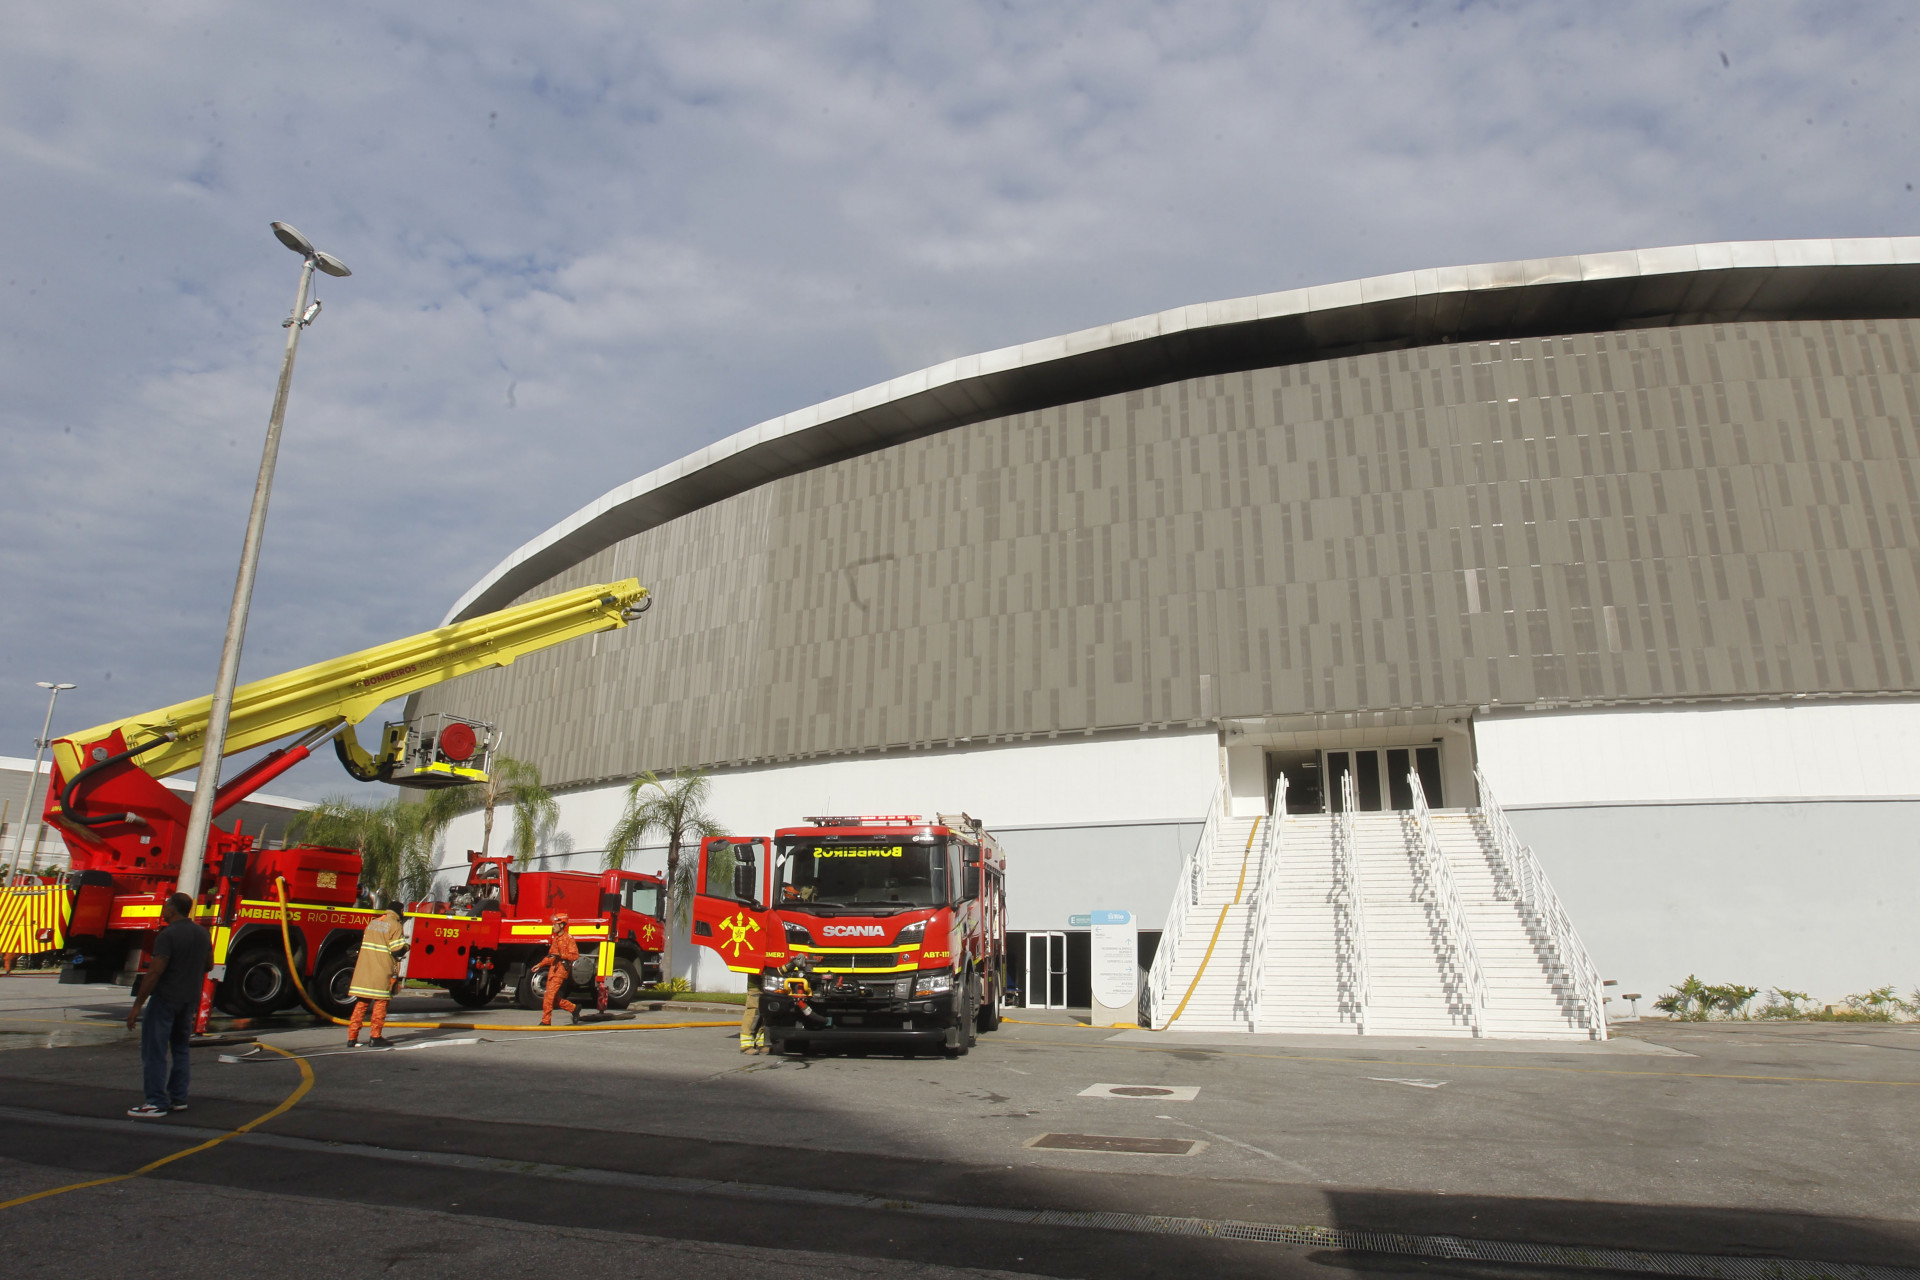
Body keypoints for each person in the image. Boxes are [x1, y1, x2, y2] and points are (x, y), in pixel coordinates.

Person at [124, 892, 211, 1119]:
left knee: (155, 1050)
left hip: (165, 998)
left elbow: (155, 972)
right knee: (181, 1048)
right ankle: (178, 1097)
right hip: (189, 998)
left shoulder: (168, 935)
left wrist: (137, 1005)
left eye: (166, 907)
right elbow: (209, 964)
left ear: (172, 910)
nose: (164, 910)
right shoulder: (202, 933)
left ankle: (155, 1102)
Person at [346, 899, 410, 1048]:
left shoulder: (373, 923)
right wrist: (407, 946)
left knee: (361, 1004)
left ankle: (352, 1037)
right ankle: (375, 1037)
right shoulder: (395, 925)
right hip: (381, 971)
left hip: (364, 971)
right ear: (399, 911)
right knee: (381, 1004)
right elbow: (397, 949)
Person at [539, 912, 579, 1026]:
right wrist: (540, 964)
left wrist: (562, 956)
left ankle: (546, 1021)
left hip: (561, 971)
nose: (553, 927)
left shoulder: (569, 939)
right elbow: (551, 956)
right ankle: (574, 1009)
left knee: (549, 996)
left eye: (555, 924)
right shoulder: (556, 939)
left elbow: (574, 955)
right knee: (554, 999)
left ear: (562, 925)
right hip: (553, 970)